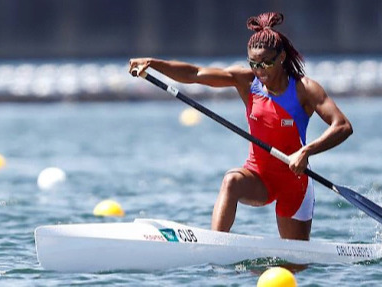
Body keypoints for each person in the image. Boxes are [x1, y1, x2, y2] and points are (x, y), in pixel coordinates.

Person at [129, 12, 352, 241]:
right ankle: (216, 246)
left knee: (295, 261)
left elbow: (342, 125)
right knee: (231, 181)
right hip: (259, 177)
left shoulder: (304, 89)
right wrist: (153, 64)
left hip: (294, 183)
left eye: (266, 63)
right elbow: (195, 73)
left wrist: (305, 152)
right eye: (254, 63)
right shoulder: (246, 81)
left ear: (282, 57)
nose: (260, 70)